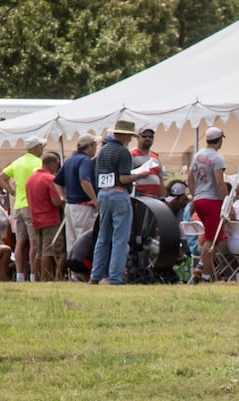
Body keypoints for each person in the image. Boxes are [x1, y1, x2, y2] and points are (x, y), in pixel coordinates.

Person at [90, 118, 149, 285]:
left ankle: (96, 275)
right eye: (130, 137)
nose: (130, 140)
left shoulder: (103, 151)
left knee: (103, 237)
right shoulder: (123, 152)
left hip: (103, 193)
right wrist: (140, 175)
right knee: (120, 239)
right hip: (119, 193)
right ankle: (115, 277)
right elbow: (123, 177)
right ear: (125, 136)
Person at [0, 137, 45, 282]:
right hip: (32, 205)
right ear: (36, 148)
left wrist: (11, 191)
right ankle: (33, 275)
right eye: (41, 146)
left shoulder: (17, 162)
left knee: (20, 242)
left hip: (17, 206)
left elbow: (1, 177)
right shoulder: (38, 162)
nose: (42, 149)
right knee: (34, 242)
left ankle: (20, 275)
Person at [188, 127, 228, 281]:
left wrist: (194, 194)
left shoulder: (197, 155)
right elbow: (219, 182)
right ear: (220, 140)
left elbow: (190, 177)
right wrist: (226, 201)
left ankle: (207, 271)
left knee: (210, 237)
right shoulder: (217, 158)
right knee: (212, 238)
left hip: (199, 199)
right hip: (212, 200)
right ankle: (203, 272)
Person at [26, 151, 66, 282]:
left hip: (36, 219)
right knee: (50, 250)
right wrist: (63, 199)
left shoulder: (31, 179)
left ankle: (37, 277)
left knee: (39, 251)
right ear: (53, 164)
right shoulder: (49, 179)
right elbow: (55, 201)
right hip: (50, 218)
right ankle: (46, 277)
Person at [57, 134, 98, 258]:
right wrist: (94, 199)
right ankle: (82, 271)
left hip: (70, 206)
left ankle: (73, 273)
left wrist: (63, 196)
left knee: (72, 241)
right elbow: (84, 181)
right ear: (90, 146)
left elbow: (57, 181)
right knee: (84, 239)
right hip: (83, 206)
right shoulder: (85, 160)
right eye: (95, 145)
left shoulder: (70, 159)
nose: (96, 148)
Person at [130, 126, 163, 197]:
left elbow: (160, 177)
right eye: (144, 136)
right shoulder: (132, 154)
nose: (148, 139)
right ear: (138, 138)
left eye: (151, 137)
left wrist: (163, 196)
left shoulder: (155, 156)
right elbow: (127, 176)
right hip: (139, 196)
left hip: (155, 196)